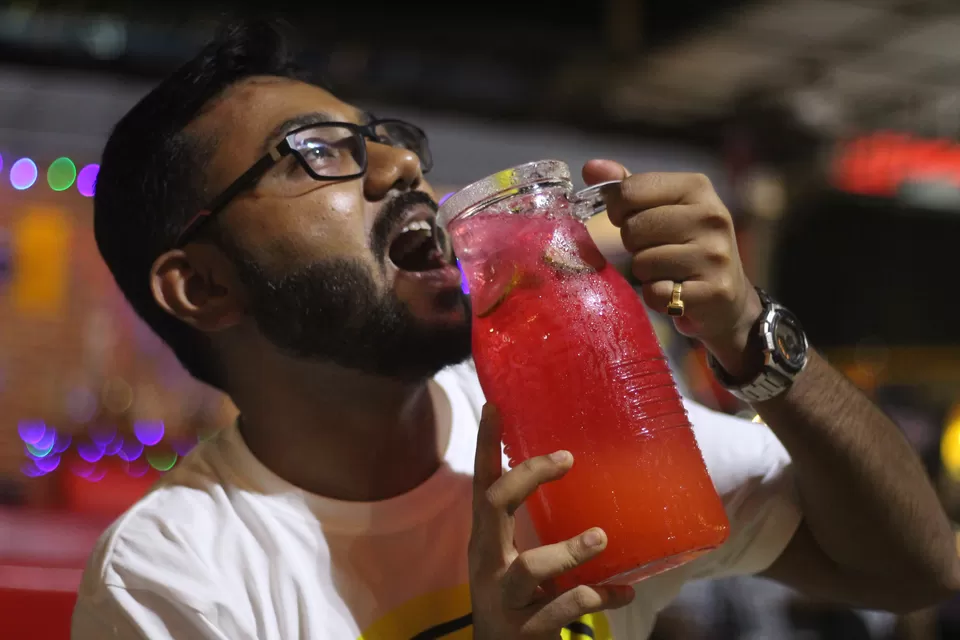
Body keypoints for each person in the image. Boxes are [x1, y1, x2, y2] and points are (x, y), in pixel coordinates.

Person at [71, 20, 959, 640]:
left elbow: (916, 568)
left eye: (384, 136)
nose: (403, 163)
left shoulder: (576, 425)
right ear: (203, 285)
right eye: (316, 151)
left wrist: (752, 333)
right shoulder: (173, 578)